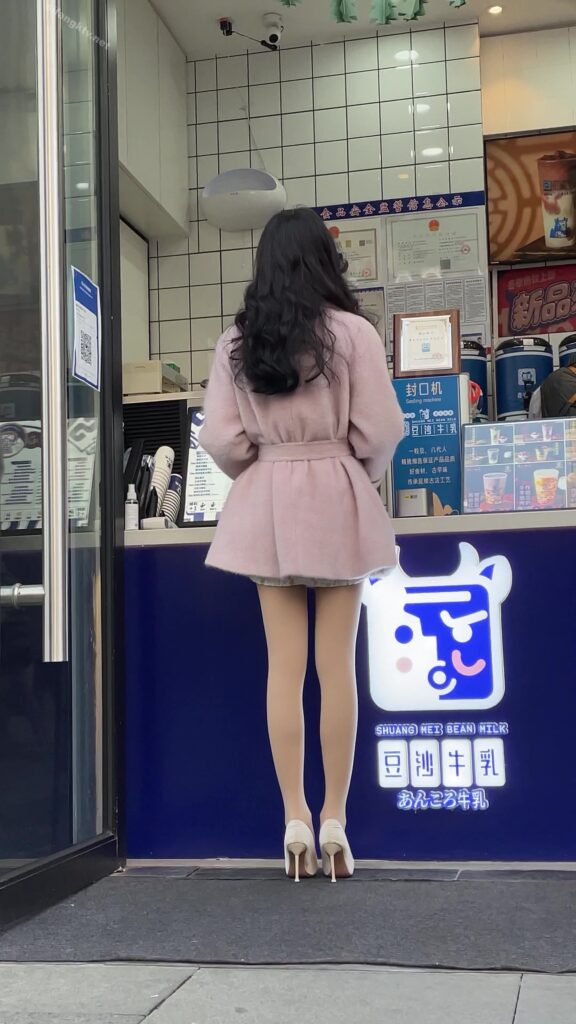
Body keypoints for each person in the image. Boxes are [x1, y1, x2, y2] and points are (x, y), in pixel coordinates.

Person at [200, 207, 404, 883]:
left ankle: (294, 818)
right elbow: (381, 431)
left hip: (269, 503)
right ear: (325, 260)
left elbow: (221, 439)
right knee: (336, 667)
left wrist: (262, 466)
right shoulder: (353, 333)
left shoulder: (238, 342)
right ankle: (336, 818)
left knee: (282, 669)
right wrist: (353, 471)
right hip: (337, 495)